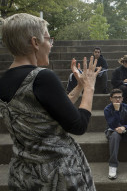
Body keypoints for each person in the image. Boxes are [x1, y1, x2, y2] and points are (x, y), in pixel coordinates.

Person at [0, 13, 100, 190]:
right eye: (48, 38)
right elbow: (78, 125)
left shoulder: (3, 80)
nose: (51, 45)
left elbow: (45, 116)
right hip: (56, 177)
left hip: (22, 175)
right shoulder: (42, 77)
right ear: (35, 42)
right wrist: (90, 87)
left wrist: (79, 87)